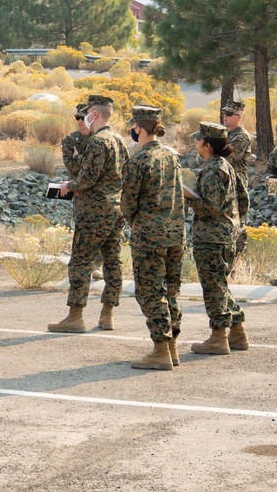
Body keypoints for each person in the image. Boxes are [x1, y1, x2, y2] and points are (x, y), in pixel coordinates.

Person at [49, 94, 128, 333]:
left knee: (81, 262)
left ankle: (75, 316)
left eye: (87, 114)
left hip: (94, 211)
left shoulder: (98, 141)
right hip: (116, 209)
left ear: (94, 114)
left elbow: (87, 178)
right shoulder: (119, 140)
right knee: (113, 262)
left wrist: (68, 186)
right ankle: (107, 314)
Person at [120, 106, 185, 371]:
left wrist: (134, 222)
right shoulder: (172, 156)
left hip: (149, 235)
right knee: (170, 290)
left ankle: (160, 350)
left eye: (132, 127)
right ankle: (171, 348)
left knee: (150, 291)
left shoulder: (137, 160)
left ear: (138, 128)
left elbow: (127, 202)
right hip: (175, 232)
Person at [183, 121, 251, 355]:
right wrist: (236, 224)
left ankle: (218, 337)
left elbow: (210, 206)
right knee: (219, 286)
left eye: (198, 140)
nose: (195, 143)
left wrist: (188, 198)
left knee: (213, 288)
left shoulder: (213, 169)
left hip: (212, 238)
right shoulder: (226, 165)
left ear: (207, 145)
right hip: (224, 235)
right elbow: (244, 199)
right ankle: (238, 332)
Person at [61, 102, 103, 282]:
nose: (79, 121)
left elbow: (100, 169)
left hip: (99, 193)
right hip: (80, 193)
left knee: (101, 228)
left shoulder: (100, 140)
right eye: (76, 118)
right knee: (83, 229)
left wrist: (79, 157)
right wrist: (86, 163)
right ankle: (83, 266)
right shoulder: (70, 141)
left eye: (82, 117)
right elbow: (71, 167)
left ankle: (98, 265)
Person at [220, 100, 251, 256]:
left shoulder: (242, 136)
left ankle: (239, 258)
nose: (225, 116)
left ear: (238, 116)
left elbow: (230, 156)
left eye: (229, 114)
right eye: (224, 112)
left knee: (238, 222)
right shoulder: (225, 134)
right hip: (225, 183)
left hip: (237, 185)